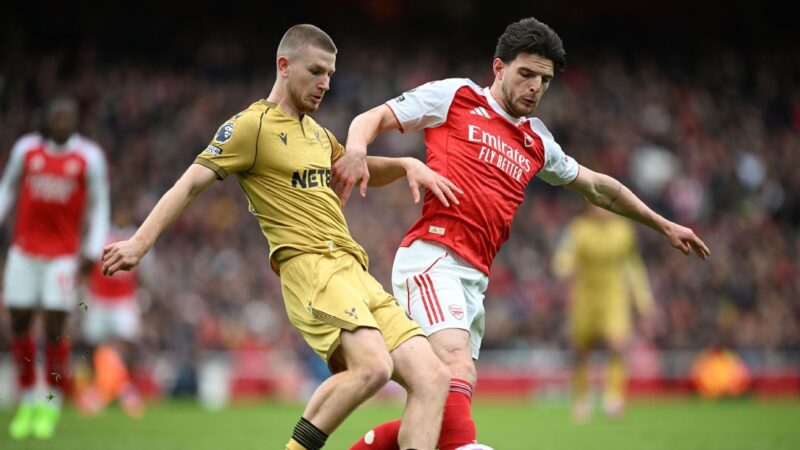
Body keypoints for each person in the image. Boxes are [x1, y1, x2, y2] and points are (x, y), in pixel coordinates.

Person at [334, 17, 710, 450]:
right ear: (498, 68)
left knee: (443, 396)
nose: (535, 86)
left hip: (474, 275)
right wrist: (358, 150)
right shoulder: (456, 96)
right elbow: (375, 115)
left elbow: (599, 189)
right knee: (452, 367)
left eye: (544, 80)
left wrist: (662, 223)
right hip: (433, 255)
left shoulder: (538, 142)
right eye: (526, 73)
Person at [101, 24, 456, 450]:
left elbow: (356, 169)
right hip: (309, 267)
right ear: (284, 66)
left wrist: (404, 166)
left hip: (353, 268)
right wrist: (140, 242)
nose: (326, 83)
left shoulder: (318, 134)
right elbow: (190, 183)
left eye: (331, 74)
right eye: (316, 71)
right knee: (373, 367)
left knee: (433, 378)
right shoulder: (251, 126)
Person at [0, 97, 110, 440]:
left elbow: (100, 203)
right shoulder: (27, 150)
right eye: (56, 117)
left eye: (68, 117)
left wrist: (92, 250)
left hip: (62, 255)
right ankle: (28, 396)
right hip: (24, 250)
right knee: (17, 320)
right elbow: (7, 189)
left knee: (54, 328)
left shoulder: (88, 157)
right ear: (45, 120)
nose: (62, 122)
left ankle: (50, 399)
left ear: (76, 121)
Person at [552, 205, 656, 422]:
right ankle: (582, 398)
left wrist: (643, 300)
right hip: (585, 295)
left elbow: (633, 266)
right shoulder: (579, 229)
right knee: (581, 350)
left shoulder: (624, 231)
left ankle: (613, 398)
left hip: (613, 296)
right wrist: (563, 267)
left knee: (617, 344)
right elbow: (565, 254)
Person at [75, 209, 147, 419]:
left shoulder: (135, 235)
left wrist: (141, 294)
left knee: (128, 344)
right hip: (99, 298)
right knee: (93, 344)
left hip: (124, 300)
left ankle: (125, 389)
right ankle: (98, 389)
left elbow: (142, 268)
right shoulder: (101, 236)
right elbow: (88, 264)